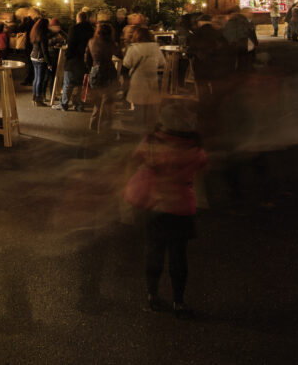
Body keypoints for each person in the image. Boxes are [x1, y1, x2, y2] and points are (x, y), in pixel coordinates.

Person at [128, 104, 208, 317]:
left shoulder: (152, 141)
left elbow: (135, 159)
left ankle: (152, 297)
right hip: (181, 207)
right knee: (179, 255)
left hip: (155, 205)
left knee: (154, 251)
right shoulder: (193, 148)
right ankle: (178, 302)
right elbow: (202, 165)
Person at [122, 25, 163, 131]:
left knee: (138, 104)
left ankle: (139, 126)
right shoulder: (155, 47)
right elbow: (162, 62)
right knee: (149, 103)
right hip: (151, 78)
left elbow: (126, 64)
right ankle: (149, 125)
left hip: (138, 79)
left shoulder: (133, 48)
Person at [87, 22, 122, 131]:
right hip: (108, 72)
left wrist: (91, 70)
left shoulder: (91, 41)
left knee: (97, 101)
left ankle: (93, 124)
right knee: (106, 101)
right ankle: (102, 128)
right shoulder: (110, 43)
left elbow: (87, 58)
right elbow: (120, 55)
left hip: (95, 71)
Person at [62, 11, 94, 111]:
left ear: (78, 18)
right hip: (85, 61)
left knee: (68, 83)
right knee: (82, 84)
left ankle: (64, 104)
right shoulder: (91, 30)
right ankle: (79, 105)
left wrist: (67, 55)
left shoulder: (74, 29)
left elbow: (71, 44)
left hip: (73, 59)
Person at [29, 14, 50, 106]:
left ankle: (34, 97)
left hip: (33, 57)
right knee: (40, 79)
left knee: (36, 78)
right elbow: (44, 51)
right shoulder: (43, 35)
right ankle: (38, 100)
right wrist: (49, 62)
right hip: (40, 58)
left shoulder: (35, 33)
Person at [45, 18, 67, 101]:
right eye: (55, 26)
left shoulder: (60, 32)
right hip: (51, 56)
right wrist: (57, 39)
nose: (57, 28)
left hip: (58, 55)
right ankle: (51, 94)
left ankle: (55, 93)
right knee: (50, 76)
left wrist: (61, 40)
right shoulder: (48, 33)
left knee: (56, 76)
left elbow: (66, 38)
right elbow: (47, 43)